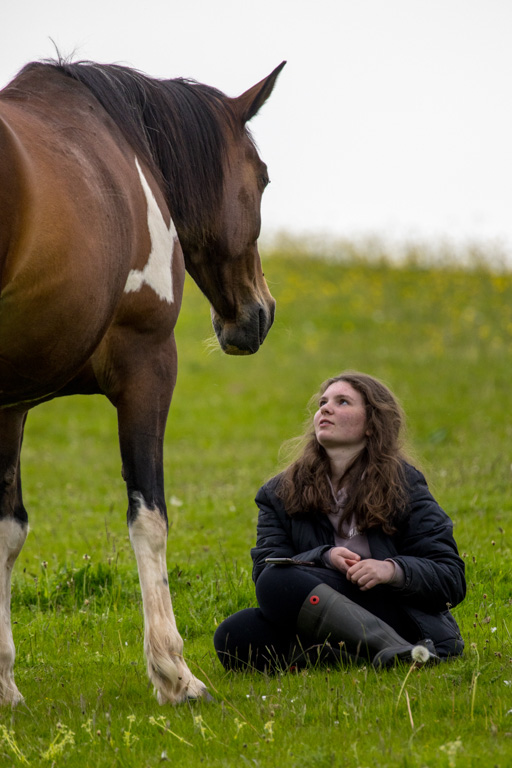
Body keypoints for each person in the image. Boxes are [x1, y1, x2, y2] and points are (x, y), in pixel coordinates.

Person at [214, 372, 465, 672]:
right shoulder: (279, 493)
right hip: (319, 601)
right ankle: (374, 654)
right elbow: (264, 572)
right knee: (236, 632)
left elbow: (450, 576)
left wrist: (391, 570)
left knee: (277, 579)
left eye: (342, 401)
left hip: (398, 613)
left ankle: (392, 646)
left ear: (372, 425)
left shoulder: (404, 483)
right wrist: (324, 557)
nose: (325, 409)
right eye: (322, 403)